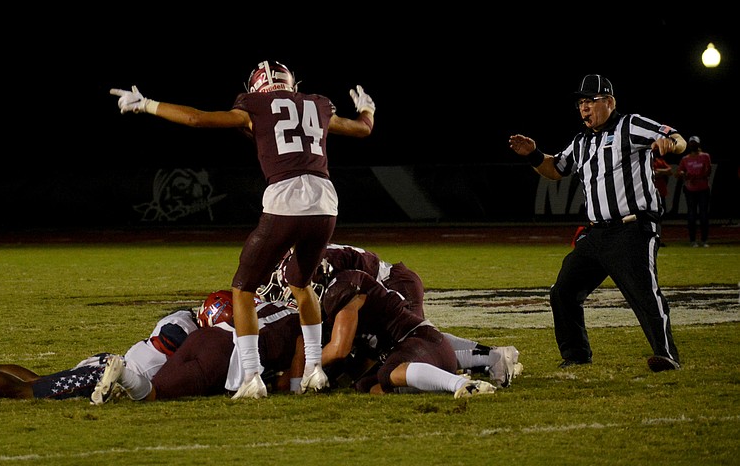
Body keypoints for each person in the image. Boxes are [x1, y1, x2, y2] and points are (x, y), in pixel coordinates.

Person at [110, 61, 375, 399]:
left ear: (256, 87)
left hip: (285, 197)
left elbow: (197, 119)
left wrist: (147, 104)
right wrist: (368, 107)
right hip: (326, 201)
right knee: (301, 284)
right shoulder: (318, 103)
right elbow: (362, 129)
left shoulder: (255, 104)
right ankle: (313, 369)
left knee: (243, 289)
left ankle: (250, 376)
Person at [508, 74, 686, 372]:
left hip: (632, 228)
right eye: (581, 103)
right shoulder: (581, 142)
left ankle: (667, 355)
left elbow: (677, 138)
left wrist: (670, 144)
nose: (584, 109)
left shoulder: (631, 125)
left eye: (590, 101)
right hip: (596, 234)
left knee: (644, 293)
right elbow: (556, 169)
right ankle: (576, 354)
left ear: (610, 102)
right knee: (563, 291)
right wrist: (534, 155)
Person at [258, 243, 522, 387]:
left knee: (408, 343)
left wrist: (303, 368)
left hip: (392, 283)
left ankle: (486, 359)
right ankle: (490, 356)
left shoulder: (328, 270)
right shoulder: (308, 264)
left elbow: (339, 340)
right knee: (414, 338)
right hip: (376, 290)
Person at [0, 310, 198, 401]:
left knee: (38, 379)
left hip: (110, 363)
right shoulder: (184, 332)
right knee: (29, 391)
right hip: (105, 374)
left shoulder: (182, 318)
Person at [96, 291, 306, 402]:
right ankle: (123, 375)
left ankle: (126, 384)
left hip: (205, 336)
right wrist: (295, 387)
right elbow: (293, 370)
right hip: (224, 352)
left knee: (158, 383)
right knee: (156, 393)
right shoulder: (303, 325)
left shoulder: (271, 305)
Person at [319, 269, 497, 398]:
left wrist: (310, 365)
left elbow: (339, 349)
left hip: (423, 342)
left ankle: (464, 385)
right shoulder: (346, 301)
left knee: (387, 372)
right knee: (366, 385)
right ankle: (445, 380)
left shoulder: (343, 289)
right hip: (421, 354)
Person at [676, 135, 712, 247]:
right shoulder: (685, 159)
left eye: (694, 144)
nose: (693, 146)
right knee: (691, 215)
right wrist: (683, 174)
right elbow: (678, 173)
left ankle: (704, 240)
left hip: (703, 189)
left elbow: (708, 171)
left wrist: (700, 174)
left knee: (703, 215)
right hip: (690, 189)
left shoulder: (705, 156)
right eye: (691, 144)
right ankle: (693, 240)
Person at [652, 152, 673, 246]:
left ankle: (658, 238)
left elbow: (670, 170)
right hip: (648, 194)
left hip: (660, 193)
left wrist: (660, 171)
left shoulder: (659, 161)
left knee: (660, 218)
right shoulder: (643, 161)